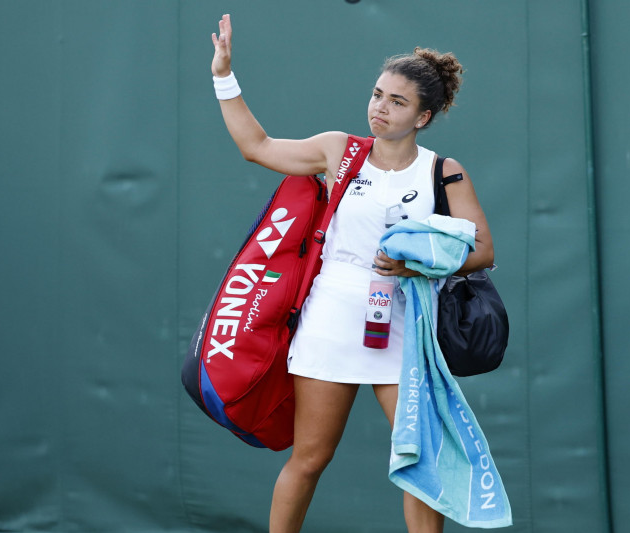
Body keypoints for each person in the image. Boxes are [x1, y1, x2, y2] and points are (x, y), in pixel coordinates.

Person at [210, 14, 494, 533]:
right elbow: (257, 147)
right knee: (310, 457)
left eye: (397, 102)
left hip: (406, 326)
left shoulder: (443, 171)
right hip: (332, 319)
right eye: (377, 94)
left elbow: (482, 250)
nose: (380, 108)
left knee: (421, 463)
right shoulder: (339, 150)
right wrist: (223, 75)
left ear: (423, 116)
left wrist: (415, 264)